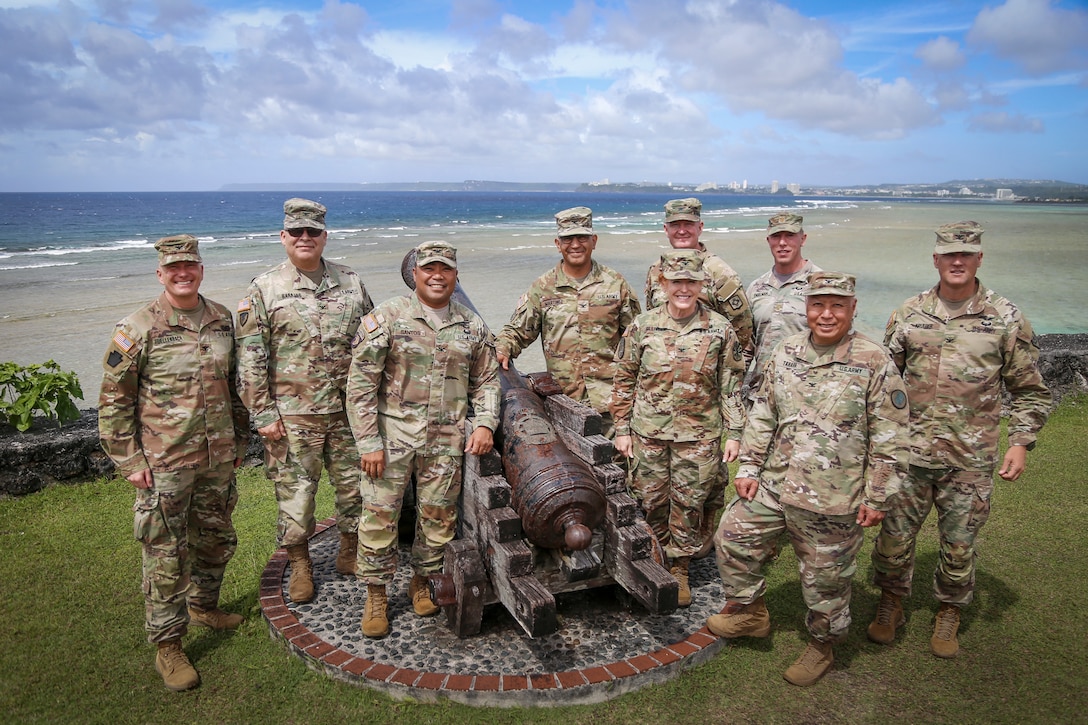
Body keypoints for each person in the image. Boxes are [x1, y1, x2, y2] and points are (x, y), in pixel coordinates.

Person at [706, 272, 909, 687]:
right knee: (732, 535)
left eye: (837, 305)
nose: (827, 314)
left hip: (834, 496)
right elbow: (763, 412)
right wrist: (748, 468)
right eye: (818, 304)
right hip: (776, 484)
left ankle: (822, 645)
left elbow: (891, 436)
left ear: (852, 309)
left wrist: (877, 495)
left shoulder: (873, 360)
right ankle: (750, 613)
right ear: (807, 308)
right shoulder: (787, 351)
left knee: (825, 583)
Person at [869, 221, 1052, 658]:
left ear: (978, 259)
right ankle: (891, 602)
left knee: (958, 544)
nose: (956, 261)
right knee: (893, 540)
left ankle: (948, 609)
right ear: (935, 259)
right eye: (948, 254)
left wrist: (1020, 442)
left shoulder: (1005, 318)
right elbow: (883, 383)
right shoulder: (909, 314)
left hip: (970, 458)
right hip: (909, 455)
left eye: (965, 255)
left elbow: (1028, 389)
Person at [99, 235, 250, 692]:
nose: (183, 273)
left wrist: (239, 439)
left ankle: (205, 606)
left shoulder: (223, 320)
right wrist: (129, 460)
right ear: (160, 273)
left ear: (200, 268)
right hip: (164, 462)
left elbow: (237, 385)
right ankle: (168, 645)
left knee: (216, 539)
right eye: (174, 267)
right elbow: (113, 401)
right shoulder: (138, 327)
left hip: (216, 459)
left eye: (191, 265)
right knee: (166, 556)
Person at [347, 241, 500, 638]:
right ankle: (376, 594)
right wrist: (367, 443)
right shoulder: (389, 318)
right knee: (379, 515)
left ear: (455, 275)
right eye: (429, 268)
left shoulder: (471, 326)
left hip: (445, 441)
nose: (437, 276)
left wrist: (484, 424)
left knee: (438, 518)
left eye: (445, 269)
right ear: (415, 274)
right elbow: (361, 385)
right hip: (391, 439)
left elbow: (485, 381)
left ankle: (423, 581)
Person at [235, 198, 374, 603]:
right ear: (283, 238)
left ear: (324, 237)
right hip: (294, 417)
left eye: (312, 232)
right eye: (296, 232)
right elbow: (250, 356)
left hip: (349, 414)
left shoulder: (351, 281)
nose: (304, 238)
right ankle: (300, 564)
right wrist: (262, 414)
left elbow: (371, 344)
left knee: (356, 489)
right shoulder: (264, 288)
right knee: (296, 497)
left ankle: (349, 549)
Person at [611, 251, 746, 607]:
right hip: (649, 433)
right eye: (676, 282)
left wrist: (734, 434)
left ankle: (680, 567)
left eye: (691, 282)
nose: (683, 289)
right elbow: (624, 380)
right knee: (650, 500)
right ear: (663, 284)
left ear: (702, 285)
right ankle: (652, 560)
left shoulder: (720, 329)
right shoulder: (642, 326)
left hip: (699, 436)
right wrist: (621, 429)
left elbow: (731, 385)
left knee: (689, 504)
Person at [644, 197, 754, 552]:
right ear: (665, 229)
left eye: (688, 224)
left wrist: (723, 397)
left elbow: (743, 340)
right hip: (662, 407)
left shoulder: (720, 274)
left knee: (703, 485)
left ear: (700, 227)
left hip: (702, 403)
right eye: (675, 225)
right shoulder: (655, 270)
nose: (681, 230)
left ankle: (697, 548)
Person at [495, 206, 640, 436]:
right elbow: (519, 331)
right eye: (567, 238)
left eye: (582, 237)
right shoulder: (543, 288)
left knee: (618, 469)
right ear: (557, 243)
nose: (575, 244)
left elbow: (636, 338)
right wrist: (503, 347)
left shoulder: (615, 284)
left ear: (594, 240)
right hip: (564, 403)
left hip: (611, 403)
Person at [744, 212, 821, 401]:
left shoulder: (820, 284)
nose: (782, 243)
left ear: (802, 239)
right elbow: (747, 345)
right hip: (761, 395)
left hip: (807, 396)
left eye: (790, 236)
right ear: (768, 240)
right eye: (777, 236)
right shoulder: (756, 288)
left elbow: (841, 342)